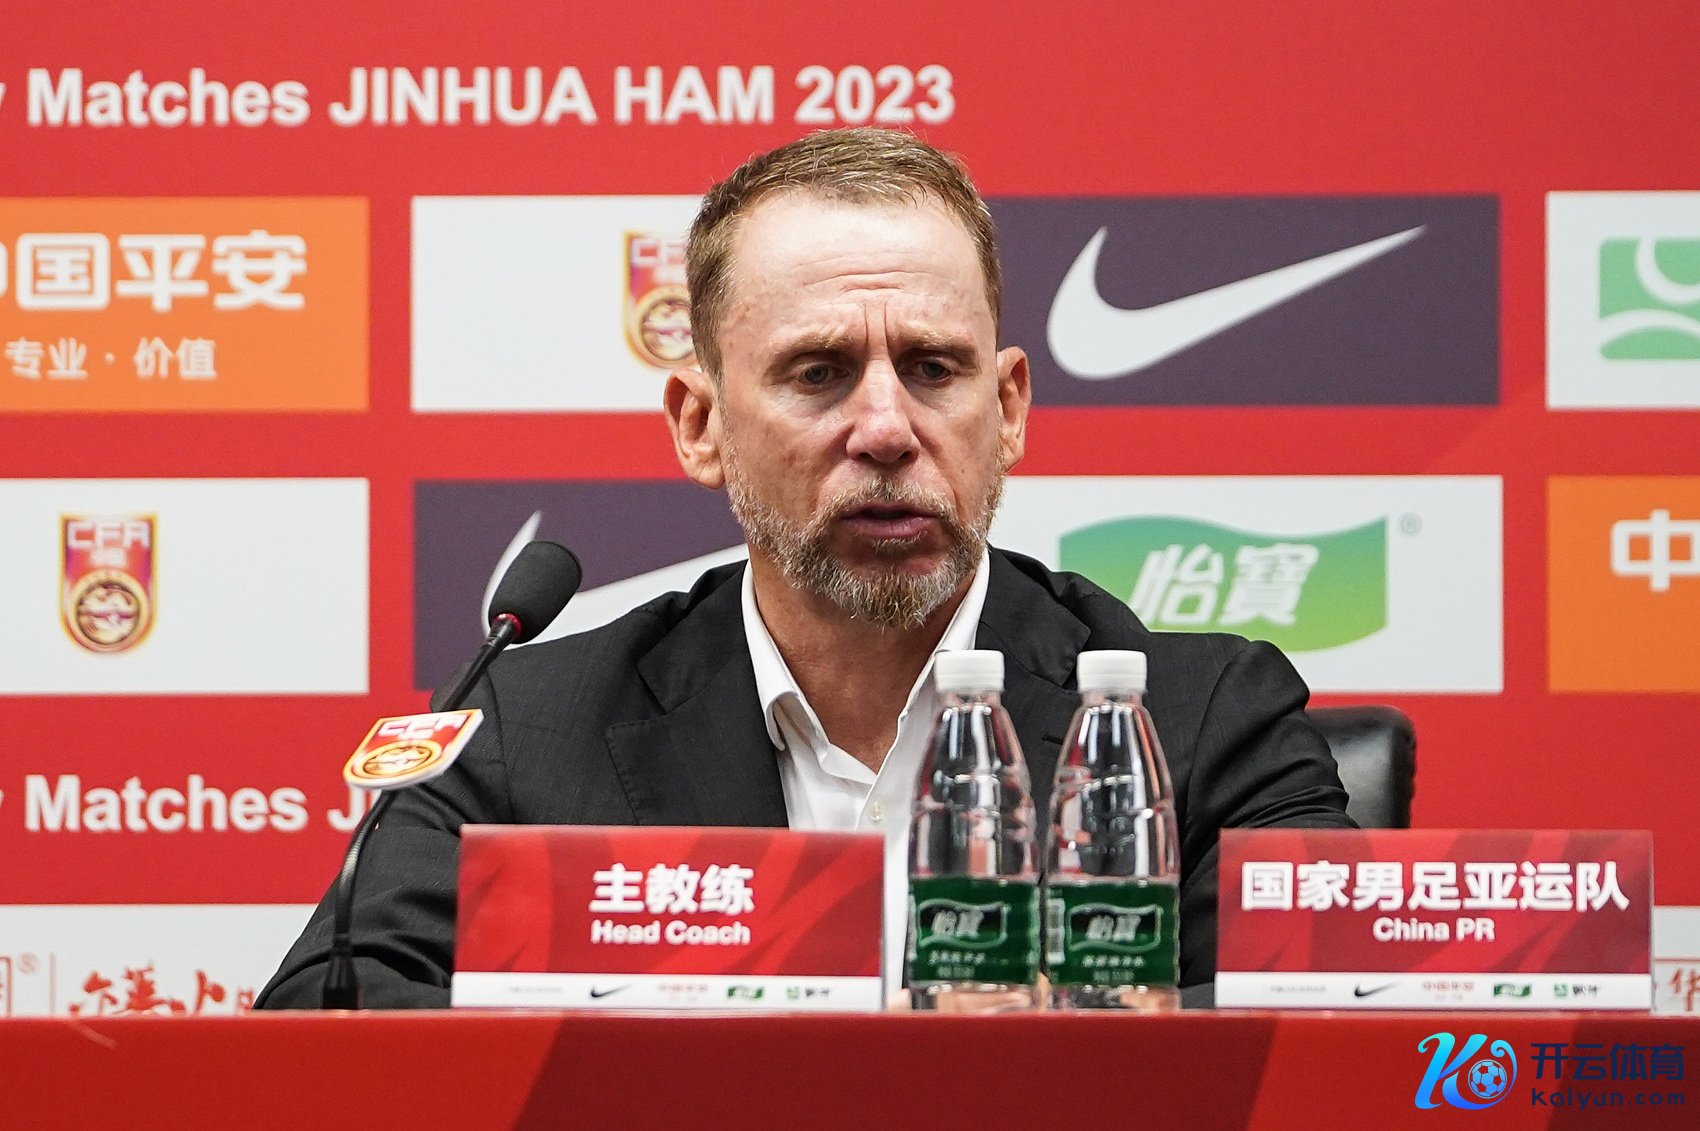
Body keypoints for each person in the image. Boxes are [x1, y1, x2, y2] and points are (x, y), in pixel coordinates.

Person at [258, 128, 1353, 1009]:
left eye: (933, 369)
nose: (886, 429)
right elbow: (328, 1019)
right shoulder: (524, 732)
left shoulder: (1199, 719)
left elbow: (1333, 1023)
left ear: (1009, 408)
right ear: (700, 425)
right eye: (818, 373)